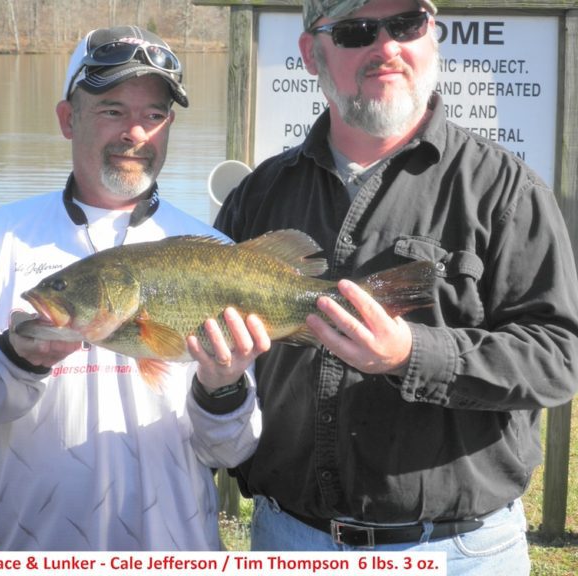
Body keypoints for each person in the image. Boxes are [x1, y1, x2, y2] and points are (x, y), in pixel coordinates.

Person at [207, 0, 578, 571]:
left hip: (461, 552)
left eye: (406, 24)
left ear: (433, 35)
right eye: (357, 30)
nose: (386, 46)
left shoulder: (507, 191)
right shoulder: (257, 197)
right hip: (289, 539)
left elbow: (559, 358)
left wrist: (413, 353)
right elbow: (209, 369)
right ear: (312, 53)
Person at [0, 25, 264, 551]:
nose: (136, 133)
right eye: (112, 110)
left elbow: (231, 450)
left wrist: (222, 387)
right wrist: (16, 357)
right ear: (68, 118)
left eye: (154, 115)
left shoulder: (213, 253)